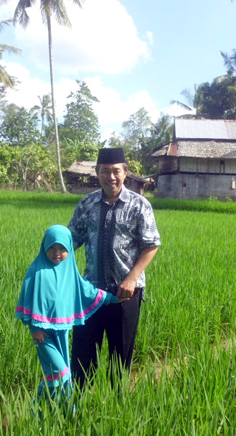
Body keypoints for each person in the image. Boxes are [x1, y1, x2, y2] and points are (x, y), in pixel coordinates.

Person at [68, 148, 161, 388]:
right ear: (97, 173)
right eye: (105, 171)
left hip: (125, 293)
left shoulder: (139, 205)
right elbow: (71, 240)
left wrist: (131, 279)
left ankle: (116, 409)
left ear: (125, 173)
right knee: (82, 356)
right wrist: (50, 261)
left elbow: (151, 245)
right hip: (90, 293)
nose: (111, 177)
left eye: (116, 171)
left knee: (120, 358)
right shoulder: (87, 204)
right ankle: (77, 409)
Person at [15, 225, 119, 403]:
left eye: (62, 248)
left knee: (62, 375)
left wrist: (114, 298)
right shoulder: (36, 272)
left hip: (61, 331)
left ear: (69, 248)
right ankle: (37, 411)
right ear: (44, 247)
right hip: (42, 335)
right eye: (52, 248)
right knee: (59, 371)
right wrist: (34, 329)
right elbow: (28, 301)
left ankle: (61, 411)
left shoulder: (70, 272)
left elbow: (88, 291)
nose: (57, 253)